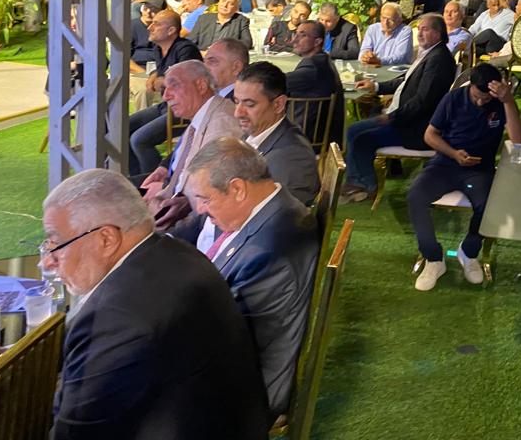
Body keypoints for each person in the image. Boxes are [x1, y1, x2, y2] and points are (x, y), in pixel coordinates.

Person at [44, 168, 268, 439]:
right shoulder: (177, 253)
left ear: (106, 239)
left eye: (56, 244)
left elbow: (73, 433)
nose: (48, 261)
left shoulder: (116, 319)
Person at [182, 139, 319, 420]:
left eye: (206, 199)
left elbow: (230, 343)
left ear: (237, 189)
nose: (201, 210)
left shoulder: (270, 251)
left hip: (245, 392)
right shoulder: (273, 212)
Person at [408, 64, 521, 291]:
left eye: (486, 99)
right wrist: (453, 153)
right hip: (445, 163)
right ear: (470, 86)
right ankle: (433, 258)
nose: (481, 103)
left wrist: (508, 101)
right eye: (477, 97)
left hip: (479, 169)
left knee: (489, 205)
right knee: (415, 197)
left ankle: (469, 252)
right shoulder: (453, 99)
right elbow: (429, 135)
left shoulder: (501, 103)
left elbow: (519, 141)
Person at [341, 14, 457, 203]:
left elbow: (422, 101)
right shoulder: (430, 53)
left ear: (438, 33)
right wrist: (375, 86)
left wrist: (392, 117)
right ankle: (358, 182)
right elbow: (405, 82)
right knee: (354, 130)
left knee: (360, 137)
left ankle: (365, 186)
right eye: (419, 29)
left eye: (425, 29)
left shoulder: (439, 60)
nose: (419, 34)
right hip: (405, 119)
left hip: (415, 128)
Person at [139, 61, 243, 230]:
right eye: (165, 88)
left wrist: (164, 190)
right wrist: (164, 176)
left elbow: (214, 190)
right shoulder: (201, 116)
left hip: (194, 221)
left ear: (201, 85)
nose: (166, 96)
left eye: (174, 85)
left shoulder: (222, 123)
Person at [127, 10, 201, 176]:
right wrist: (156, 74)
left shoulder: (185, 49)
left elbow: (187, 81)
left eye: (157, 24)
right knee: (123, 129)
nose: (150, 27)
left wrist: (162, 80)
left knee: (139, 140)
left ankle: (154, 180)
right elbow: (164, 71)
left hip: (184, 110)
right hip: (165, 105)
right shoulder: (158, 49)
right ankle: (136, 177)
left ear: (171, 31)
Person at [233, 61, 319, 205]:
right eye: (236, 102)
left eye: (249, 104)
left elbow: (278, 215)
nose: (238, 113)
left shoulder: (292, 158)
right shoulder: (255, 133)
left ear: (278, 104)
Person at [286, 21, 345, 147]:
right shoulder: (323, 60)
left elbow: (275, 82)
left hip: (305, 140)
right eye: (296, 34)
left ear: (317, 42)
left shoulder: (313, 67)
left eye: (303, 35)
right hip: (321, 137)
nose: (294, 40)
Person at [188, 0, 252, 53]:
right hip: (203, 56)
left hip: (225, 56)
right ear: (218, 2)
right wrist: (200, 53)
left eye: (230, 3)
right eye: (223, 1)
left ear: (236, 8)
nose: (225, 5)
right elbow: (190, 42)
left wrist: (224, 50)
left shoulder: (241, 21)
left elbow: (247, 43)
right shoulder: (204, 18)